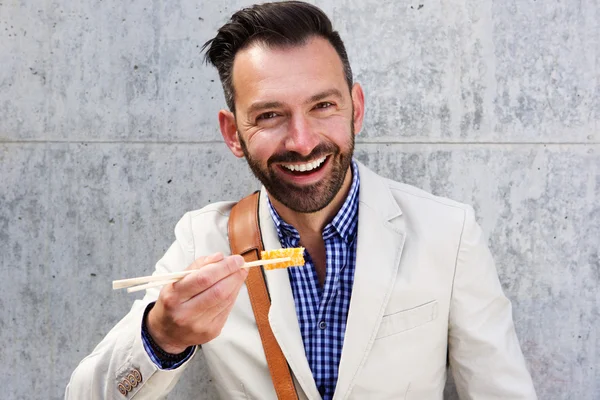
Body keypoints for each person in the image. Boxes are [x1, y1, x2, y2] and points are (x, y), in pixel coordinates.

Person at [66, 2, 537, 399]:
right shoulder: (202, 241)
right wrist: (162, 336)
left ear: (356, 107)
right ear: (233, 133)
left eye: (323, 106)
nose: (302, 140)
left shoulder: (448, 233)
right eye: (270, 115)